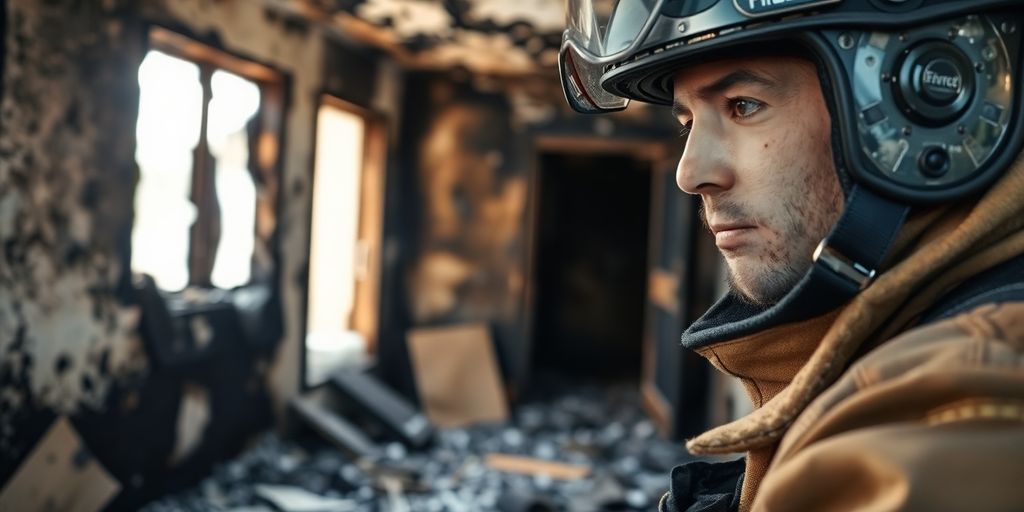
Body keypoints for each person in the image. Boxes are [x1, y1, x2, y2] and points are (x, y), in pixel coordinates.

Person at [560, 1, 1024, 510]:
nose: (690, 174)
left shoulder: (960, 416)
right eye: (688, 120)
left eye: (743, 105)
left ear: (932, 102)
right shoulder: (894, 348)